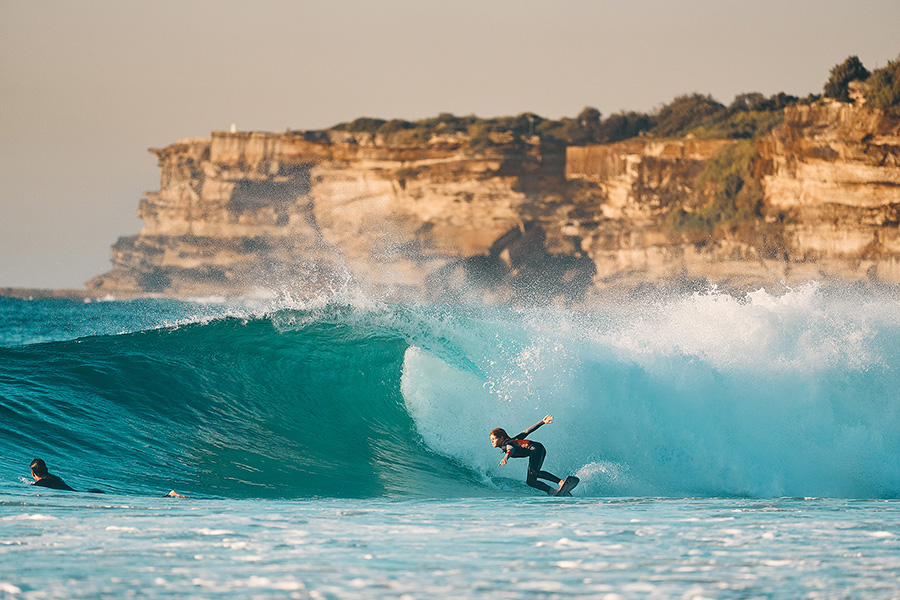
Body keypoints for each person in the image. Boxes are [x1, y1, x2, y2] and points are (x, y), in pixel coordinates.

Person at [490, 414, 567, 495]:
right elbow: (527, 431)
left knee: (534, 472)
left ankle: (560, 482)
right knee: (531, 481)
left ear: (501, 438)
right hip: (538, 448)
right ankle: (552, 491)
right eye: (491, 439)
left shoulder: (506, 444)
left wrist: (506, 457)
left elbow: (510, 448)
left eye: (494, 439)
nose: (492, 441)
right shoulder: (514, 440)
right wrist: (542, 422)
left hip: (535, 449)